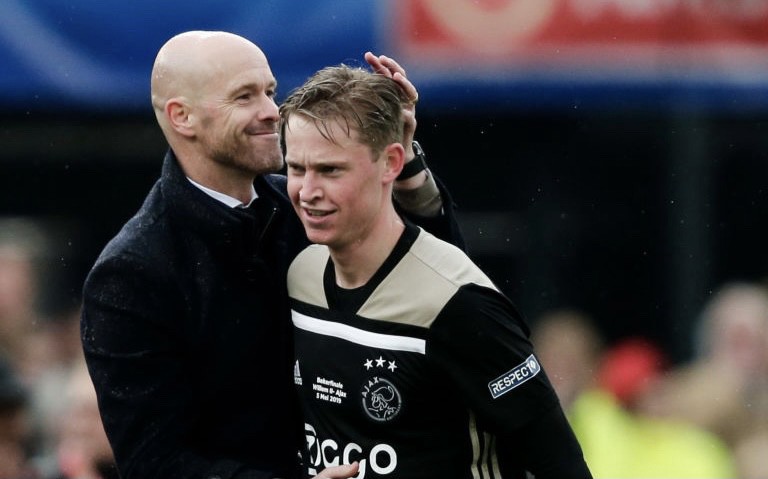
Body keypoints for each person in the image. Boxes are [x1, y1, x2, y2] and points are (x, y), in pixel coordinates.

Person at [80, 31, 462, 479]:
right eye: (245, 97)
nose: (271, 112)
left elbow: (440, 286)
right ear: (182, 117)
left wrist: (408, 170)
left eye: (270, 91)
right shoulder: (131, 274)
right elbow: (155, 463)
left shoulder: (303, 206)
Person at [280, 65, 592, 478]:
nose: (307, 191)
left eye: (330, 170)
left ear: (391, 162)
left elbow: (559, 464)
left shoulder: (458, 303)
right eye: (296, 169)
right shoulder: (299, 273)